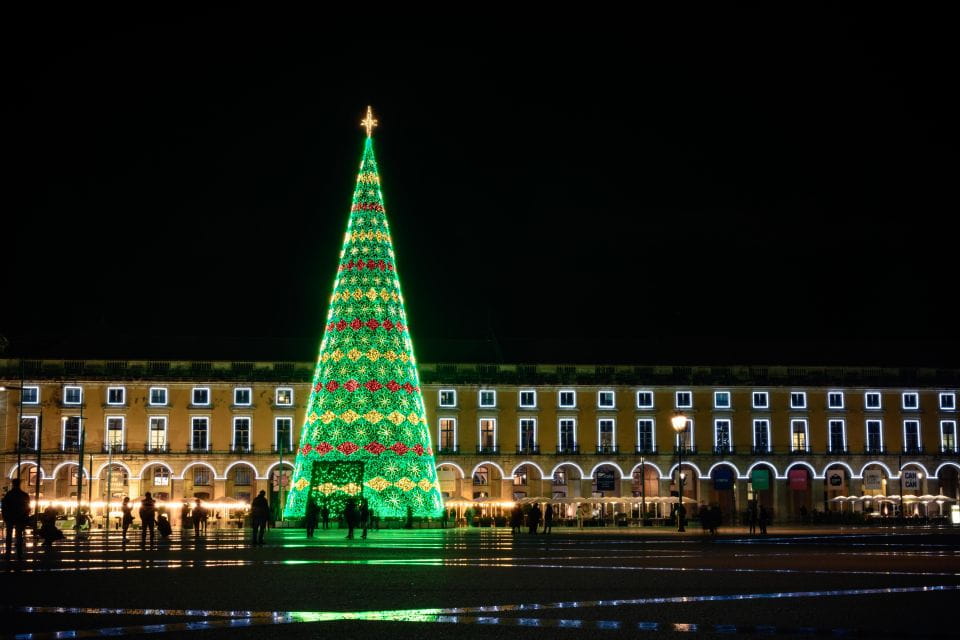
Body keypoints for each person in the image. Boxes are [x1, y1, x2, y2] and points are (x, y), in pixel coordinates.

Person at [2, 479, 31, 559]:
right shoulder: (24, 495)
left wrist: (5, 517)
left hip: (10, 518)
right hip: (20, 518)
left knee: (9, 535)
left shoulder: (9, 494)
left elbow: (4, 507)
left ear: (13, 484)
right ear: (19, 484)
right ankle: (19, 553)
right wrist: (25, 515)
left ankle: (8, 553)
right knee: (19, 535)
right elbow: (28, 507)